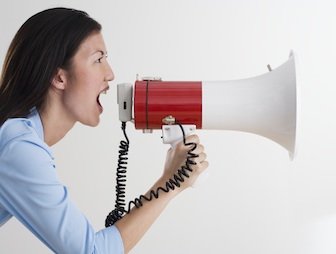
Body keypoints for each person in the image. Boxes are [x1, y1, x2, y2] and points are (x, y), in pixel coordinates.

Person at [0, 7, 208, 254]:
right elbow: (93, 251)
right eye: (98, 59)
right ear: (59, 77)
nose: (110, 73)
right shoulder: (18, 147)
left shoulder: (16, 137)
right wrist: (171, 183)